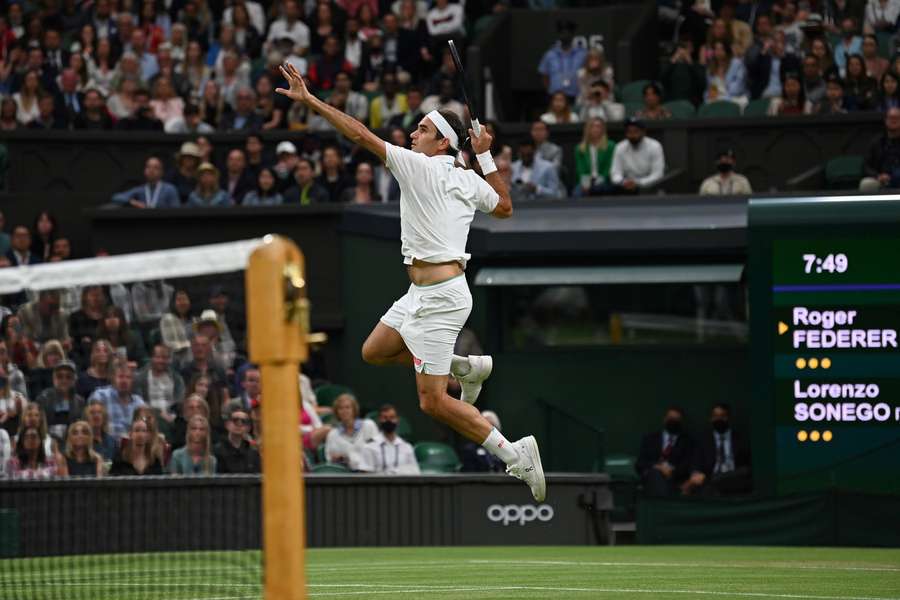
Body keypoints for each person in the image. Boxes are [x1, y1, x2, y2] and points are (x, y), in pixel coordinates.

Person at [277, 61, 545, 500]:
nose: (412, 135)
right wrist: (484, 154)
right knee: (375, 350)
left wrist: (310, 101)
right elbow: (504, 205)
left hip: (440, 297)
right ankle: (465, 366)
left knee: (433, 401)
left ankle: (515, 454)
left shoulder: (421, 167)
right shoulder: (465, 176)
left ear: (441, 143)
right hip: (422, 293)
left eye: (422, 130)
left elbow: (360, 134)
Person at [681, 403, 752, 496]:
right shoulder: (703, 441)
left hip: (734, 479)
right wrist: (695, 474)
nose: (719, 419)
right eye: (715, 416)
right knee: (706, 488)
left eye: (722, 416)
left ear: (728, 418)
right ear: (711, 419)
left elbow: (746, 468)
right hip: (710, 483)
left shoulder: (740, 439)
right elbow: (696, 463)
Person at [635, 407, 694, 497]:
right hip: (652, 478)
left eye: (676, 419)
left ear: (681, 422)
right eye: (671, 418)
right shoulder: (650, 439)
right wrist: (658, 467)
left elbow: (688, 465)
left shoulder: (687, 442)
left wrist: (671, 471)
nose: (673, 421)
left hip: (675, 479)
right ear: (665, 419)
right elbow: (640, 463)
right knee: (655, 474)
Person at [88, 360, 145, 439]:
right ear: (113, 379)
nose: (124, 381)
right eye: (120, 376)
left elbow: (145, 426)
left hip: (130, 446)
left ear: (132, 381)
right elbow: (90, 422)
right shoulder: (101, 395)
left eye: (128, 377)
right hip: (106, 444)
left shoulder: (138, 402)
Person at [324, 392, 379, 469]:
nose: (344, 411)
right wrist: (339, 459)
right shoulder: (332, 434)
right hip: (346, 475)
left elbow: (376, 451)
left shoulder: (368, 425)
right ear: (337, 412)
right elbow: (329, 458)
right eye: (340, 408)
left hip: (371, 472)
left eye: (347, 407)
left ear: (354, 410)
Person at [610, 118, 666, 193]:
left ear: (643, 132)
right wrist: (623, 182)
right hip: (625, 187)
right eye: (629, 132)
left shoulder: (655, 146)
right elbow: (615, 173)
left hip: (650, 187)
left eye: (636, 131)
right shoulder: (619, 147)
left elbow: (658, 174)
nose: (632, 135)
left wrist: (638, 183)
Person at [360, 404, 420, 474]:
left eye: (392, 417)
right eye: (385, 418)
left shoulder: (406, 447)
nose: (388, 421)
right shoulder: (370, 446)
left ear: (397, 420)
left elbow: (415, 472)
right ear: (380, 419)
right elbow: (365, 474)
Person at [133, 344, 184, 424]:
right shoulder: (140, 377)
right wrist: (158, 413)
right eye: (158, 357)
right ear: (152, 358)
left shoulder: (177, 379)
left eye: (164, 358)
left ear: (170, 359)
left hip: (171, 418)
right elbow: (138, 401)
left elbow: (179, 402)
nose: (161, 361)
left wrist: (173, 415)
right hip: (147, 417)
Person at [35, 360, 85, 441]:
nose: (64, 380)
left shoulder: (80, 402)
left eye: (68, 377)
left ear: (74, 380)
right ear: (53, 379)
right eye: (59, 376)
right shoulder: (43, 399)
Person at [538, 20, 586, 101]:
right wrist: (550, 90)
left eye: (568, 32)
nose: (565, 35)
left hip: (576, 97)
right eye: (562, 32)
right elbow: (544, 75)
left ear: (573, 34)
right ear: (558, 34)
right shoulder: (550, 54)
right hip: (555, 97)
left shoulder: (582, 54)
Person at [111, 157, 180, 209]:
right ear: (144, 171)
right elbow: (116, 197)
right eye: (148, 167)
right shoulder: (141, 189)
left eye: (155, 167)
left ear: (162, 172)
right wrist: (134, 202)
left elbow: (177, 211)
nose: (151, 170)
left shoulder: (170, 189)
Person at [860, 106, 900, 191]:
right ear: (886, 121)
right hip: (880, 178)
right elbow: (866, 166)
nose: (894, 120)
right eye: (891, 118)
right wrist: (878, 176)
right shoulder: (877, 142)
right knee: (866, 184)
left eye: (897, 118)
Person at [214, 400, 260, 473]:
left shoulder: (253, 453)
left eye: (243, 421)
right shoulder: (217, 451)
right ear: (227, 425)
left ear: (248, 428)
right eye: (235, 420)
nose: (239, 424)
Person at [574, 118, 616, 196]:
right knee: (577, 193)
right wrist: (586, 184)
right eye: (592, 126)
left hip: (604, 180)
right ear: (588, 129)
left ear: (603, 129)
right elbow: (580, 169)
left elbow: (608, 167)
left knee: (598, 189)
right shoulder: (580, 148)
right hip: (587, 180)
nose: (595, 129)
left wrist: (598, 182)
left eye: (598, 126)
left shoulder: (610, 146)